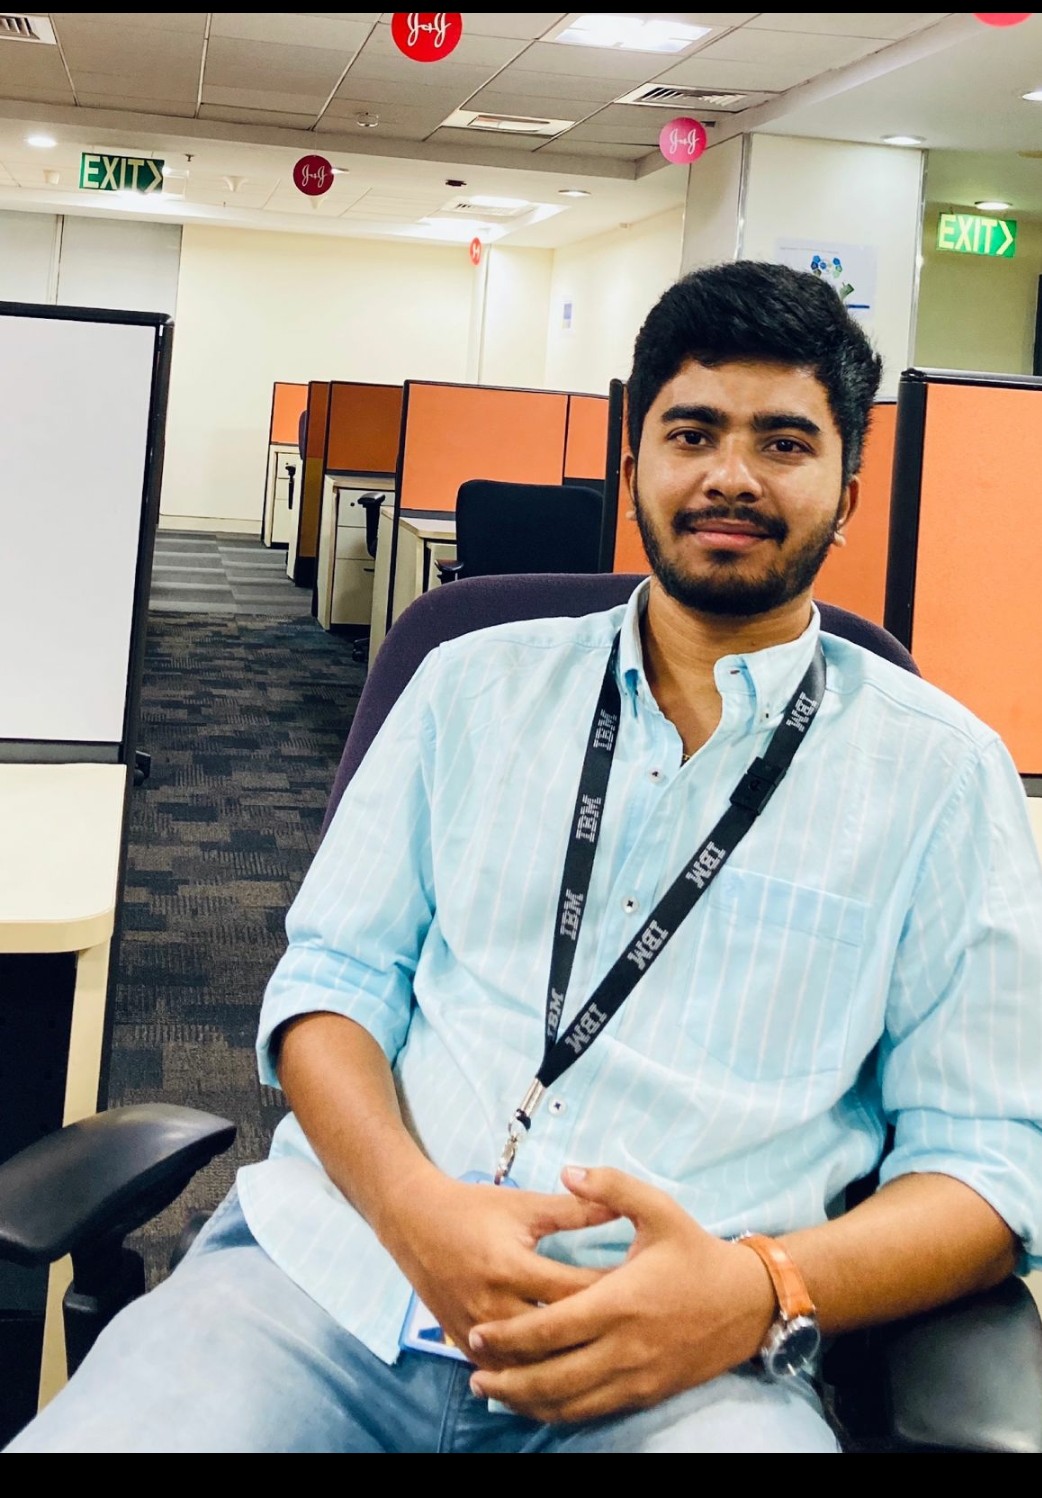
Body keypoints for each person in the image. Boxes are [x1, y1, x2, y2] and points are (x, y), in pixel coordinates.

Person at [9, 261, 1041, 1454]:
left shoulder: (940, 776)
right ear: (633, 464)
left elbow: (988, 1165)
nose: (731, 475)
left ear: (848, 491)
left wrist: (756, 1287)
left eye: (784, 442)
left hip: (688, 1365)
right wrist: (414, 1208)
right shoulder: (469, 684)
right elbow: (331, 985)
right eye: (692, 433)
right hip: (333, 1285)